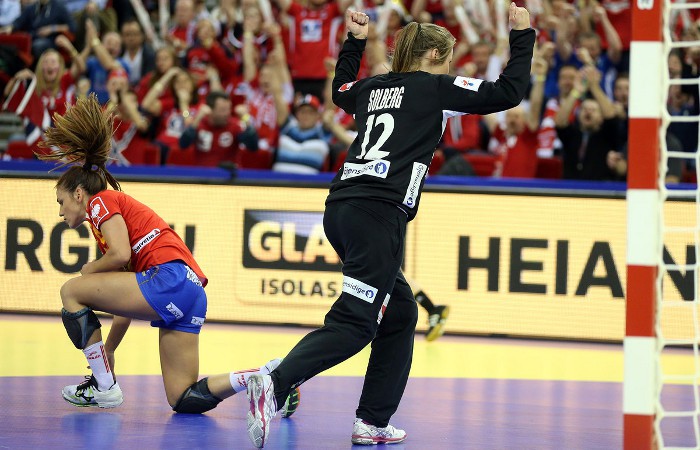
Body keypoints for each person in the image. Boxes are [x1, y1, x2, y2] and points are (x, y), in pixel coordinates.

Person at [245, 6, 534, 448]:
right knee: (357, 323)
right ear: (435, 53)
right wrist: (522, 34)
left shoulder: (373, 87)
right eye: (450, 56)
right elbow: (509, 92)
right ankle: (275, 381)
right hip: (378, 214)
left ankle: (372, 421)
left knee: (400, 313)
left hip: (341, 208)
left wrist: (354, 42)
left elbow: (340, 90)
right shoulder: (437, 88)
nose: (453, 65)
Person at [37, 94, 299, 417]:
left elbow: (118, 255)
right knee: (183, 399)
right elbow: (124, 305)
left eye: (61, 202)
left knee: (70, 291)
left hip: (167, 279)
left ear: (78, 193)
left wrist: (90, 269)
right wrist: (109, 350)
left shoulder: (99, 202)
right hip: (190, 291)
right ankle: (264, 377)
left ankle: (102, 386)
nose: (61, 212)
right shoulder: (108, 215)